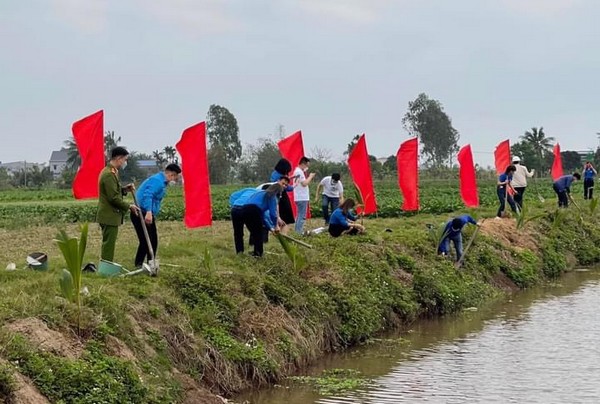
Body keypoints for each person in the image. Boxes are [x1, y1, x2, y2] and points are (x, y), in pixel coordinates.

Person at [131, 163, 181, 268]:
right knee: (147, 240)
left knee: (151, 240)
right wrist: (149, 212)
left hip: (146, 212)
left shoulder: (161, 181)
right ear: (171, 174)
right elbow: (148, 195)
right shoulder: (157, 181)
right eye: (175, 176)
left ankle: (150, 263)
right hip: (141, 212)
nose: (175, 179)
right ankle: (140, 264)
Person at [97, 147, 140, 262]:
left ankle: (106, 265)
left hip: (110, 215)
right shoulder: (109, 174)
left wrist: (125, 189)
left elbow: (114, 191)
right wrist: (129, 206)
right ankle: (106, 268)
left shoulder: (113, 172)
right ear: (118, 158)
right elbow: (113, 198)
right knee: (108, 245)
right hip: (109, 215)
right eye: (124, 159)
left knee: (109, 244)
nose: (125, 162)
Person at [241, 183, 283, 257]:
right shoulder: (271, 196)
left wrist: (271, 228)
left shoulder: (260, 193)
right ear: (278, 192)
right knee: (259, 232)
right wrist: (276, 226)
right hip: (254, 210)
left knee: (255, 232)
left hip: (244, 209)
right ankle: (258, 254)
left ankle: (256, 252)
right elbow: (273, 213)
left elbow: (263, 216)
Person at [229, 187, 259, 254]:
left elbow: (233, 195)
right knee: (256, 232)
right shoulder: (261, 194)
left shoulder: (248, 189)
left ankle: (239, 252)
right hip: (248, 209)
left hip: (235, 209)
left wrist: (232, 205)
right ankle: (257, 253)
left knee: (238, 233)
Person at [293, 157, 316, 234]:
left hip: (299, 196)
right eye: (307, 165)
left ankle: (297, 231)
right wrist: (310, 177)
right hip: (302, 197)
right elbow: (304, 183)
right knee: (302, 215)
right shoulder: (299, 172)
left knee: (299, 215)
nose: (307, 167)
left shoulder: (298, 171)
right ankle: (299, 232)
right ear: (303, 164)